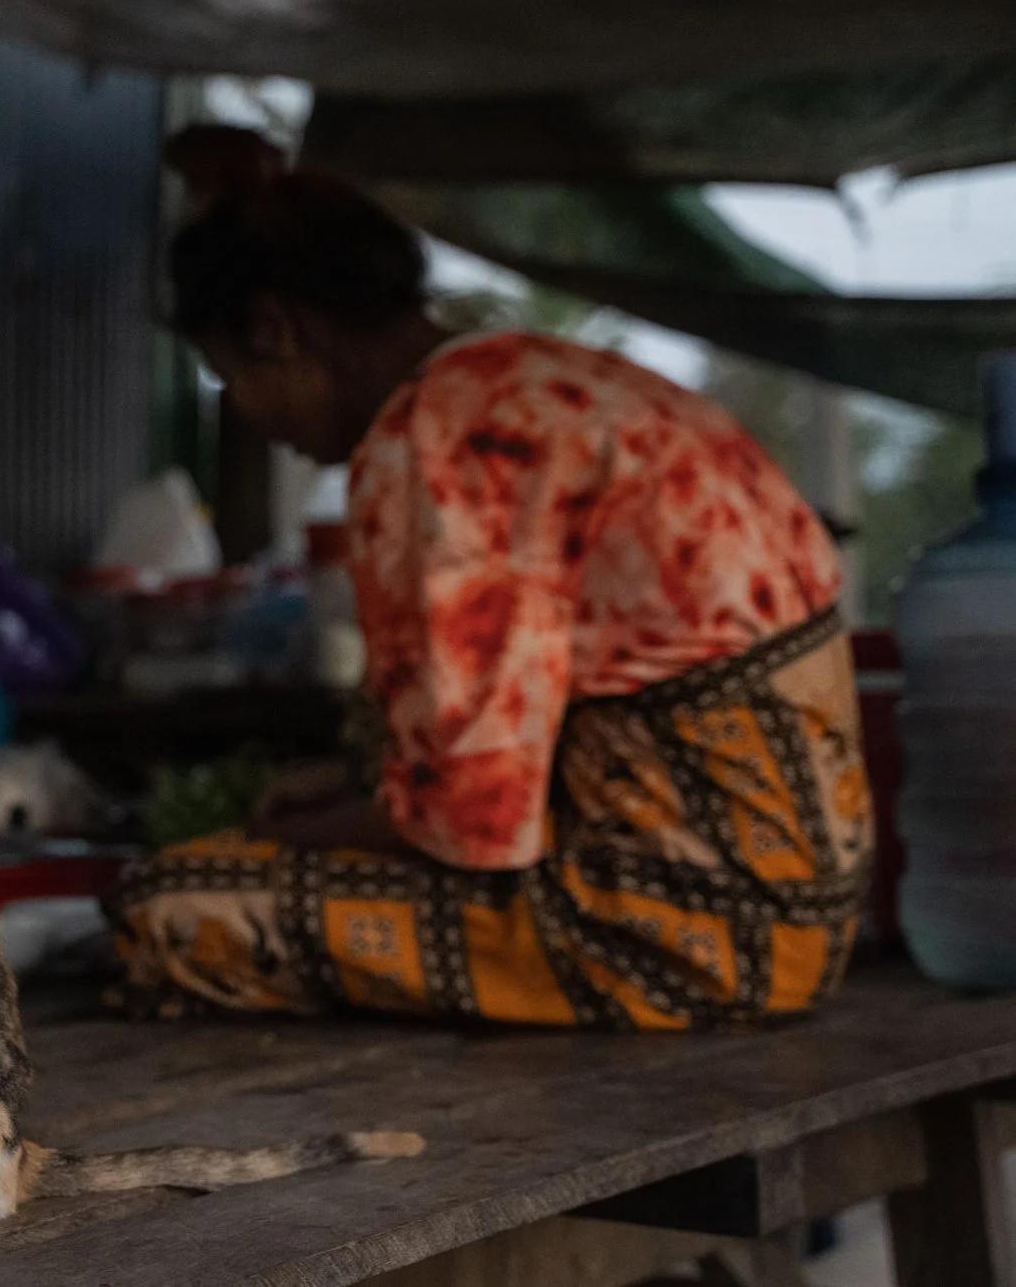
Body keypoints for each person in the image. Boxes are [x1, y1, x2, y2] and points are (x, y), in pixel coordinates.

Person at [114, 128, 873, 1029]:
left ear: (278, 330)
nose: (246, 414)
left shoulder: (436, 440)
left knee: (166, 906)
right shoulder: (552, 382)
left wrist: (288, 832)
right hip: (809, 919)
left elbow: (472, 824)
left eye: (229, 377)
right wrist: (361, 788)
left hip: (680, 930)